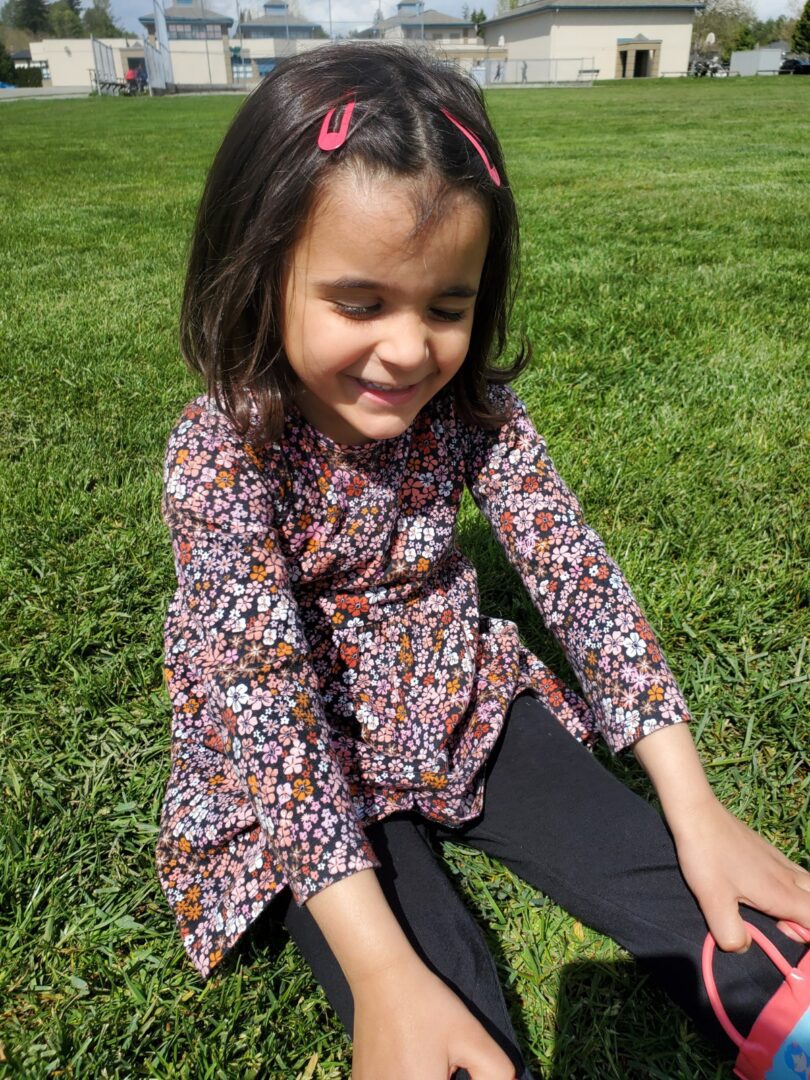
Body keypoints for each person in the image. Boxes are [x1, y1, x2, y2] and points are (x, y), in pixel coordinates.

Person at [156, 41, 810, 1079]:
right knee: (427, 995)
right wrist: (376, 970)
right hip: (302, 752)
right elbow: (267, 704)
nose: (410, 349)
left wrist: (696, 805)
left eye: (446, 307)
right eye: (361, 303)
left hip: (455, 697)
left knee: (684, 886)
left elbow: (574, 574)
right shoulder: (221, 454)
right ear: (256, 270)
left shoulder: (474, 413)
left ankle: (786, 1013)